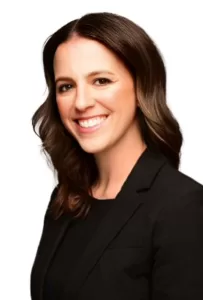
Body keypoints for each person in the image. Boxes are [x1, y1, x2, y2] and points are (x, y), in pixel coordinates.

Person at [30, 11, 203, 300]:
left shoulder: (183, 207)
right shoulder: (66, 198)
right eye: (66, 86)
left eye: (101, 81)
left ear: (141, 86)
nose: (81, 102)